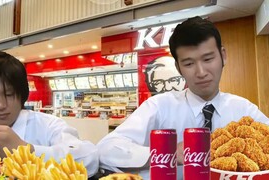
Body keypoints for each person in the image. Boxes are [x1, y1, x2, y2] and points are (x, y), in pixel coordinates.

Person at [96, 16, 269, 179]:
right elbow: (105, 150)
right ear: (178, 68)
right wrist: (167, 152)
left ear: (223, 56)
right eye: (189, 64)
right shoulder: (159, 106)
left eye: (208, 59)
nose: (201, 72)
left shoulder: (244, 110)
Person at [0, 50, 99, 177]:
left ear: (22, 94)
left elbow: (90, 158)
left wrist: (24, 150)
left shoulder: (48, 126)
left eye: (8, 94)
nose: (1, 105)